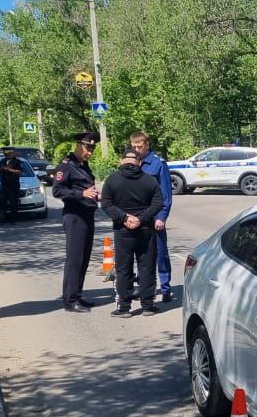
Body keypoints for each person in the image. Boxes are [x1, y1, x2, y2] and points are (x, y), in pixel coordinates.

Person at [100, 145, 164, 317]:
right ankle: (148, 305)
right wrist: (141, 218)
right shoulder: (149, 180)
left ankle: (124, 307)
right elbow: (158, 203)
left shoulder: (112, 180)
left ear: (122, 160)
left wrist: (124, 218)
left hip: (123, 231)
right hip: (146, 230)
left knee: (123, 268)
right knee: (147, 267)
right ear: (140, 162)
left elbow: (105, 204)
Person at [53, 132, 101, 312]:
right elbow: (57, 191)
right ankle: (70, 300)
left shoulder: (83, 165)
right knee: (74, 259)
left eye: (92, 148)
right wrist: (81, 194)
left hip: (87, 214)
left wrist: (95, 195)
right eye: (87, 148)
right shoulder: (67, 165)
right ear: (78, 145)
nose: (90, 152)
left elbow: (86, 187)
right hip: (74, 217)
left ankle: (78, 295)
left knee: (84, 258)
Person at [130, 131, 173, 303]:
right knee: (142, 254)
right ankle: (144, 285)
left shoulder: (157, 165)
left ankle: (165, 286)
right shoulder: (132, 163)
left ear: (147, 145)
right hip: (138, 217)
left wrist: (162, 216)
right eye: (134, 147)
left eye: (140, 147)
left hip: (154, 217)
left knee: (160, 254)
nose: (137, 150)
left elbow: (166, 194)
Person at [0, 147, 24, 223]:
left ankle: (13, 219)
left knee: (13, 203)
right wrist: (1, 169)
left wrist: (10, 170)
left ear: (13, 154)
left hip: (13, 185)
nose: (8, 155)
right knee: (2, 203)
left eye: (9, 153)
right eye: (6, 154)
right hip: (4, 185)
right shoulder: (2, 161)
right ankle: (1, 219)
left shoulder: (17, 161)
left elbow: (20, 172)